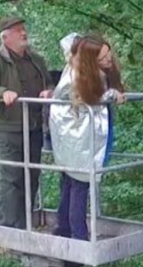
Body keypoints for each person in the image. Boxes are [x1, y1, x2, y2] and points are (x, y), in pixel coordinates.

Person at [0, 15, 52, 227]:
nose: (23, 33)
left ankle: (24, 224)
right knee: (12, 177)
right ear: (5, 37)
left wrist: (49, 91)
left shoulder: (37, 60)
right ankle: (7, 228)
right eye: (18, 30)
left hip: (34, 126)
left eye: (23, 28)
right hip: (8, 128)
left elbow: (51, 83)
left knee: (32, 175)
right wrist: (2, 92)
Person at [49, 35, 124, 240]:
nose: (109, 60)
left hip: (84, 134)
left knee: (73, 182)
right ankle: (77, 234)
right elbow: (86, 98)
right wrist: (109, 96)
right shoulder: (75, 75)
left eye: (109, 55)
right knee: (78, 182)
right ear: (92, 60)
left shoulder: (93, 72)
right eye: (104, 57)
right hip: (76, 136)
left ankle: (64, 227)